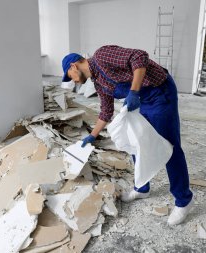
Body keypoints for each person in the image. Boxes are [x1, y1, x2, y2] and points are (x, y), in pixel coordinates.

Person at [61, 45, 193, 226]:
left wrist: (133, 92)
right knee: (136, 142)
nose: (74, 81)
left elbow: (140, 57)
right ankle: (142, 188)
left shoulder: (102, 56)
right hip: (142, 100)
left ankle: (183, 201)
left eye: (70, 77)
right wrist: (92, 136)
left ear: (73, 66)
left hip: (160, 92)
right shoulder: (99, 83)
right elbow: (106, 112)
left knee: (169, 147)